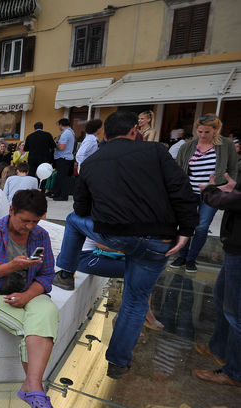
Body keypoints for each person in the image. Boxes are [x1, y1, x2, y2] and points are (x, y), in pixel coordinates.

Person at [51, 110, 198, 379]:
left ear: (105, 135)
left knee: (72, 220)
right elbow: (182, 191)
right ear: (134, 131)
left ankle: (64, 274)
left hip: (114, 235)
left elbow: (81, 207)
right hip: (158, 241)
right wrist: (186, 230)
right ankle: (117, 363)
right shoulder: (155, 152)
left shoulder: (92, 162)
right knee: (135, 302)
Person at [0, 189, 62, 408]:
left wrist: (28, 295)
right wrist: (11, 266)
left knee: (48, 311)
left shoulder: (40, 235)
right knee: (33, 327)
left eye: (35, 221)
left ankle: (31, 387)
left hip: (28, 293)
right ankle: (35, 389)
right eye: (24, 220)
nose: (29, 227)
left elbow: (47, 274)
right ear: (11, 211)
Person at [169, 114, 238, 272]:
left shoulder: (225, 144)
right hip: (189, 192)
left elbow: (233, 167)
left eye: (206, 132)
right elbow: (179, 170)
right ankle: (182, 255)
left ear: (215, 130)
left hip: (212, 193)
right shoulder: (188, 146)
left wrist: (229, 185)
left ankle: (191, 258)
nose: (202, 135)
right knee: (186, 223)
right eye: (199, 131)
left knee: (201, 226)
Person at [193, 172, 241, 387]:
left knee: (235, 313)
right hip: (234, 247)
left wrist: (210, 190)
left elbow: (224, 200)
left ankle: (235, 372)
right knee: (221, 295)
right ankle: (219, 349)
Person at [52, 118, 76, 201]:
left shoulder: (66, 133)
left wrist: (55, 144)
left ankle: (63, 196)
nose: (58, 126)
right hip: (67, 158)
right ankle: (57, 193)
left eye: (58, 125)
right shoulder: (71, 132)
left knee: (62, 178)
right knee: (61, 177)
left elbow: (61, 147)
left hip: (63, 158)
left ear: (61, 125)